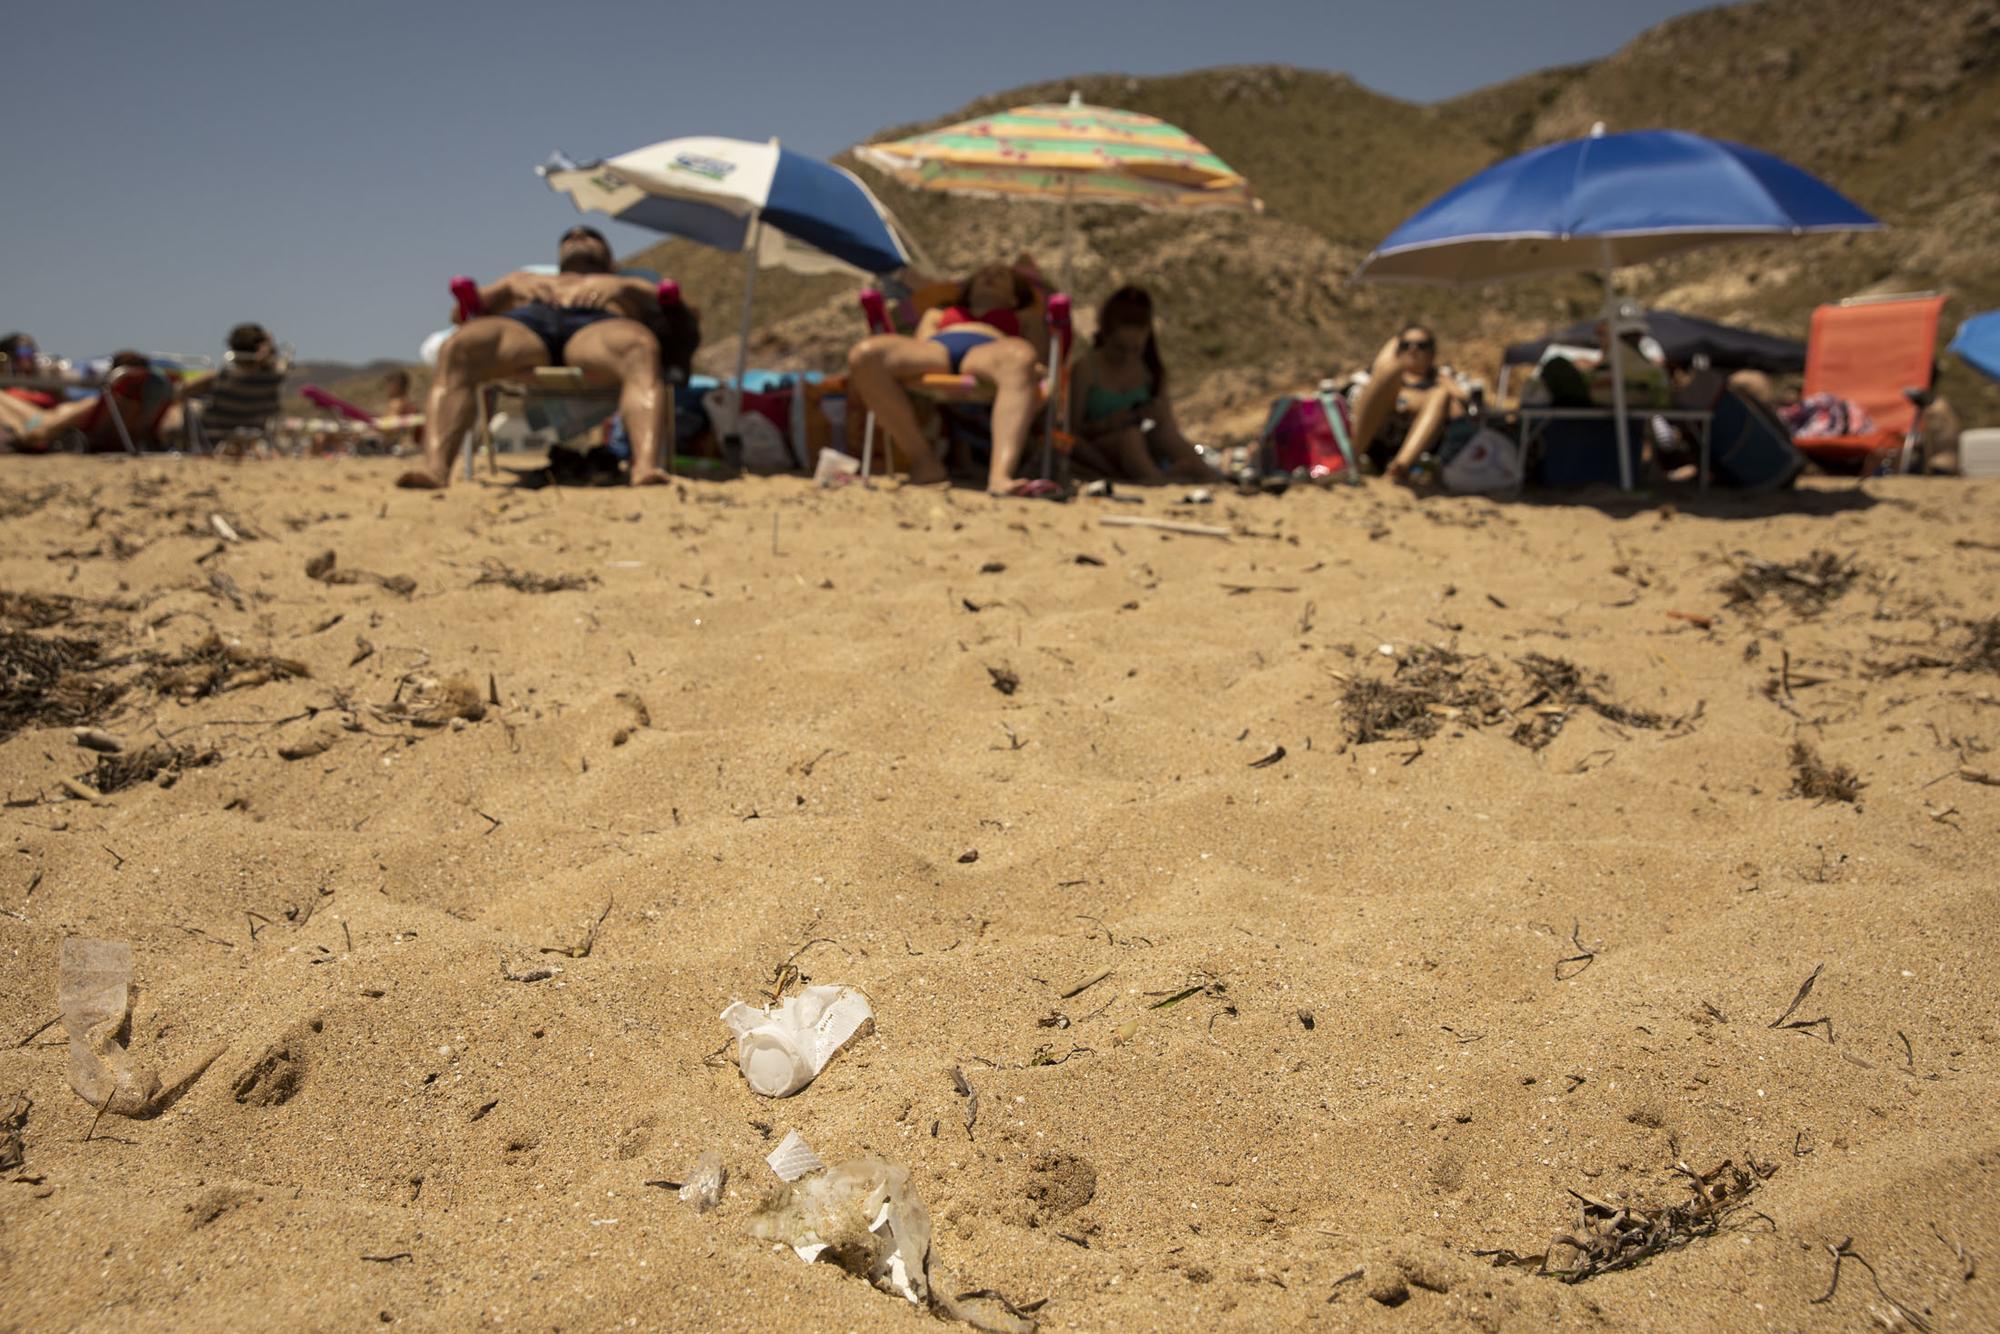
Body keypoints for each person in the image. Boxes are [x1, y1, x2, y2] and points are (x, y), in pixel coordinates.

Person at [399, 225, 678, 488]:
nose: (577, 237)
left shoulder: (628, 282)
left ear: (610, 257)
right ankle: (435, 469)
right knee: (460, 346)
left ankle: (645, 467)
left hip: (597, 326)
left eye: (590, 235)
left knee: (640, 346)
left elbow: (681, 313)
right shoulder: (524, 278)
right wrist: (508, 290)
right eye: (568, 237)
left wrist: (624, 289)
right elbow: (459, 315)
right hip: (527, 324)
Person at [845, 261, 1051, 495]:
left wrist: (1033, 365)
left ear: (1014, 297)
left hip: (991, 353)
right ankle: (924, 460)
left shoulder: (1026, 317)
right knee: (865, 355)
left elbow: (1040, 357)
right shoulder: (937, 313)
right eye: (983, 272)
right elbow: (920, 343)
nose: (989, 276)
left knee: (1021, 356)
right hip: (938, 351)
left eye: (1001, 276)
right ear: (969, 289)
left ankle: (1000, 474)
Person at [1067, 286, 1218, 484]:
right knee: (1130, 437)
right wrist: (1110, 423)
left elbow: (1168, 427)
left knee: (1161, 434)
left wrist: (1153, 415)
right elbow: (1072, 431)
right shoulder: (1086, 369)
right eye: (1120, 349)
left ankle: (1208, 477)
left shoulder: (1150, 371)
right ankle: (1158, 481)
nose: (1128, 357)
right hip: (1100, 449)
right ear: (1106, 335)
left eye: (1135, 350)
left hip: (1143, 446)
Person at [1348, 324, 1469, 480]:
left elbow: (1463, 408)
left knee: (1441, 395)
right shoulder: (1376, 375)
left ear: (1432, 352)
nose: (1413, 350)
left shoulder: (1444, 378)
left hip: (1419, 448)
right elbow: (1356, 401)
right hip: (1371, 442)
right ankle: (1351, 458)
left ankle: (1398, 469)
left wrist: (1445, 383)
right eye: (1405, 345)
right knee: (1389, 372)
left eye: (1421, 346)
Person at [2, 350, 173, 452]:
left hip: (37, 425)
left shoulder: (103, 403)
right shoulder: (142, 409)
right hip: (49, 418)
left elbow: (40, 431)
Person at [174, 324, 287, 450]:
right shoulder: (273, 379)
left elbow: (180, 391)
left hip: (213, 434)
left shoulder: (220, 378)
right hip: (253, 432)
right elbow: (279, 364)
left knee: (188, 404)